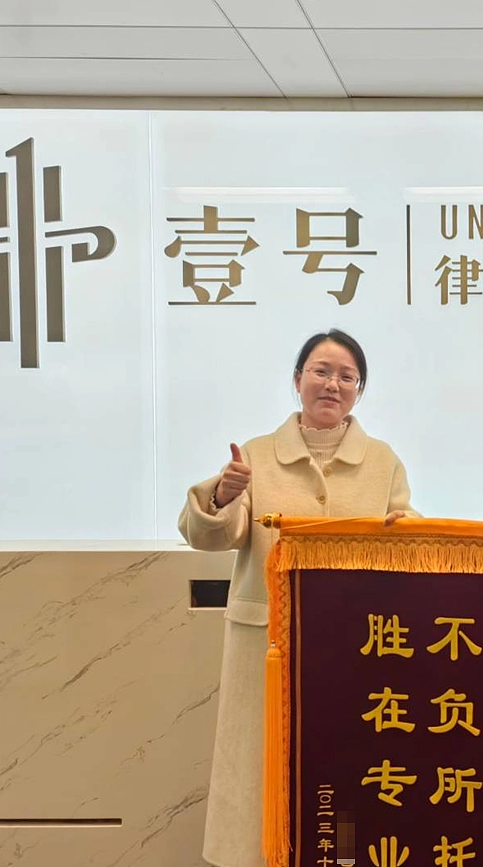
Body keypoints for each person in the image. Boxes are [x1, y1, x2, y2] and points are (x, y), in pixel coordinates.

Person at [178, 328, 415, 867]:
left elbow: (405, 530)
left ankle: (341, 856)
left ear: (359, 390)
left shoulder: (383, 462)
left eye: (347, 376)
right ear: (297, 379)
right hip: (268, 645)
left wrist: (405, 528)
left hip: (354, 646)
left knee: (344, 765)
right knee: (260, 764)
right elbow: (214, 535)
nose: (333, 384)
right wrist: (223, 496)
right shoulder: (256, 456)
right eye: (321, 371)